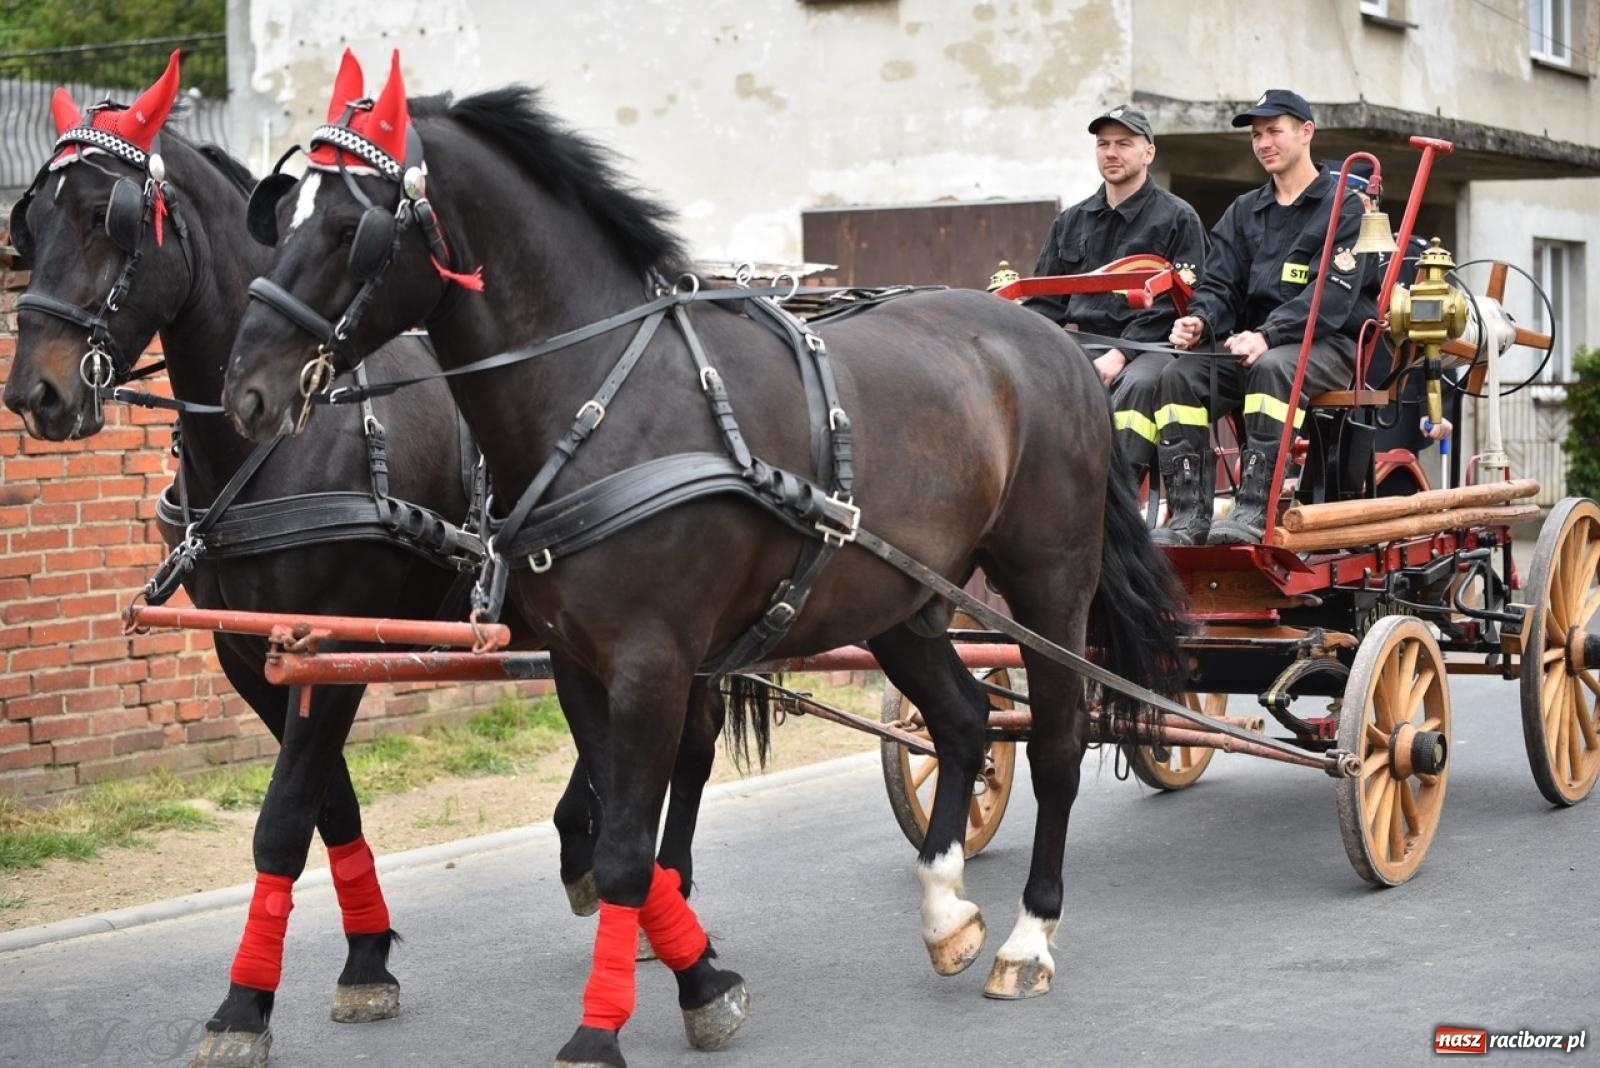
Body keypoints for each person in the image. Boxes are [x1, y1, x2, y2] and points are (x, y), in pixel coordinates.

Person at [1152, 89, 1376, 546]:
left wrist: (1268, 335)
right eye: (1257, 135)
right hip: (1250, 345)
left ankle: (1255, 510)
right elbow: (1219, 285)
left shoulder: (1347, 209)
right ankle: (1188, 518)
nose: (1263, 143)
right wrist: (1199, 320)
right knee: (1179, 376)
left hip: (1327, 344)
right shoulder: (1243, 211)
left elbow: (1329, 300)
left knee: (1273, 370)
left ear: (1306, 132)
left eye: (1274, 131)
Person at [1025, 105, 1205, 482]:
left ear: (1148, 153)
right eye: (1103, 143)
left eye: (1124, 143)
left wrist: (1120, 354)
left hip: (1153, 348)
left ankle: (1117, 493)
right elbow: (1045, 303)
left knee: (1138, 385)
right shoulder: (1070, 220)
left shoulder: (1178, 217)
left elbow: (1183, 303)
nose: (1111, 152)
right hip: (1083, 344)